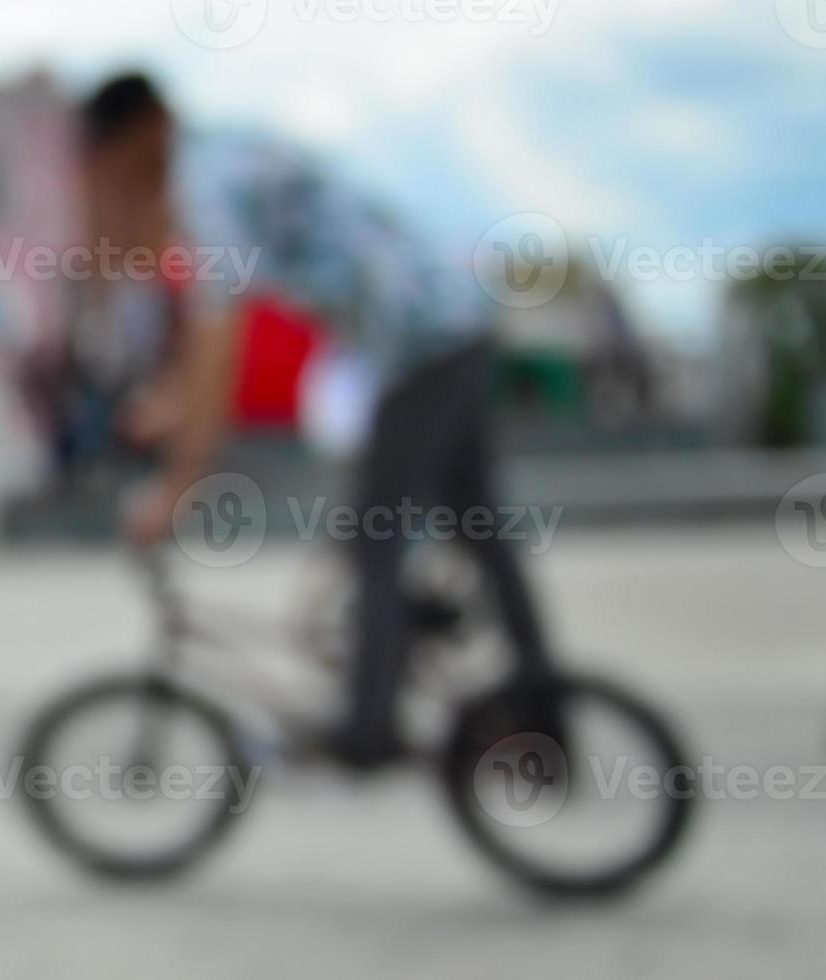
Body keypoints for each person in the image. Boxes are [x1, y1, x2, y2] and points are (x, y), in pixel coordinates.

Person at [92, 74, 555, 769]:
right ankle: (547, 712)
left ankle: (366, 729)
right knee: (478, 530)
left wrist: (179, 486)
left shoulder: (203, 185)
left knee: (376, 534)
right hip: (443, 330)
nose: (118, 176)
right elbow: (213, 337)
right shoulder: (225, 155)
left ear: (146, 128)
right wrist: (170, 400)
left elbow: (218, 335)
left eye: (116, 154)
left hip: (420, 345)